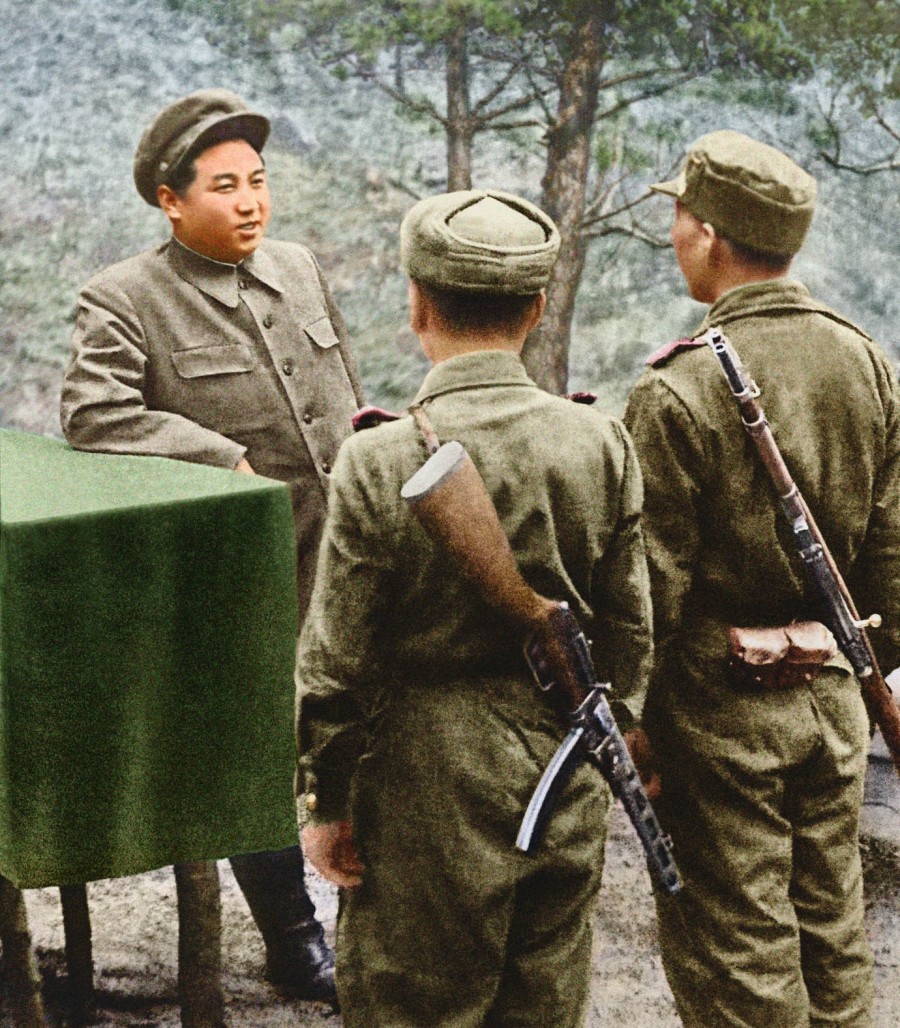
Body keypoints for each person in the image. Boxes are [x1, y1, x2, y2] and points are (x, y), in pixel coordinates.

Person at [295, 188, 655, 1026]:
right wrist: (613, 737)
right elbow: (632, 632)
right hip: (565, 759)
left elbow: (336, 662)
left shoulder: (379, 457)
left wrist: (328, 799)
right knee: (542, 1004)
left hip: (426, 781)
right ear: (538, 309)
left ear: (417, 305)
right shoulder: (599, 442)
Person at [60, 89, 366, 1005]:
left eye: (258, 182)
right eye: (224, 186)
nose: (249, 203)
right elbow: (93, 413)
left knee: (359, 737)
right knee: (255, 758)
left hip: (343, 554)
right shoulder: (125, 297)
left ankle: (375, 926)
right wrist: (216, 453)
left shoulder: (298, 267)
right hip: (239, 574)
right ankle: (295, 943)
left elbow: (343, 393)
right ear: (170, 199)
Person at [624, 129, 900, 1027]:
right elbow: (893, 564)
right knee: (833, 935)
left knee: (737, 950)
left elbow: (648, 593)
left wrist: (635, 720)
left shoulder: (676, 388)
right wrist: (833, 654)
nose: (673, 232)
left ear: (708, 234)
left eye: (679, 214)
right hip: (833, 701)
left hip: (715, 714)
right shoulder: (866, 362)